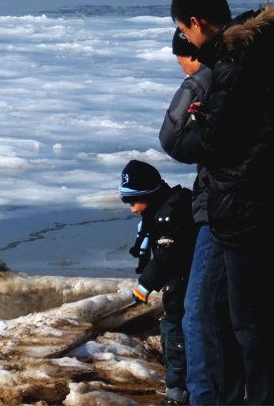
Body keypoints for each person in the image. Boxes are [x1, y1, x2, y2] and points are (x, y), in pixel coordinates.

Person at [166, 0, 274, 405]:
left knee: (248, 317)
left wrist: (181, 140)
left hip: (247, 203)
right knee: (215, 310)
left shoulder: (236, 59)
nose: (186, 40)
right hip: (250, 201)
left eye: (184, 30)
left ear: (197, 22)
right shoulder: (261, 47)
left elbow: (220, 139)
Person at [159, 29, 215, 405]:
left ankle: (201, 396)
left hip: (222, 208)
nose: (185, 76)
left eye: (185, 65)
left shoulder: (211, 83)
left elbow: (172, 139)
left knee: (196, 312)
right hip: (229, 204)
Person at [120, 159, 196, 406]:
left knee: (175, 335)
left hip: (183, 283)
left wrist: (145, 285)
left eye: (133, 202)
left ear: (148, 195)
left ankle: (179, 392)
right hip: (179, 283)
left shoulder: (170, 214)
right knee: (171, 331)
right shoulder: (164, 208)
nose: (132, 209)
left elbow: (168, 256)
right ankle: (178, 385)